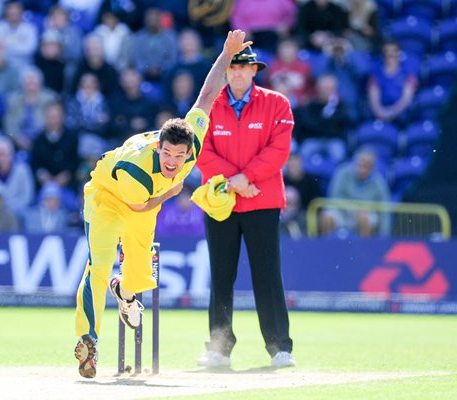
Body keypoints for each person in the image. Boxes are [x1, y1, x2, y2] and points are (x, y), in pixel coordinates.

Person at [73, 30, 252, 379]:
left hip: (145, 202)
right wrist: (169, 195)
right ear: (159, 148)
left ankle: (124, 292)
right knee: (99, 266)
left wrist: (227, 53)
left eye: (178, 156)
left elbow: (208, 94)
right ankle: (88, 341)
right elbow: (137, 207)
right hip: (111, 197)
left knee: (140, 274)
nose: (173, 161)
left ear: (189, 150)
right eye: (167, 154)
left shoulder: (192, 139)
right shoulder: (136, 169)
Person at [195, 45, 295, 369]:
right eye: (232, 67)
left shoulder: (277, 103)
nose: (237, 72)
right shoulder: (210, 105)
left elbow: (279, 151)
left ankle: (280, 347)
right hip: (221, 201)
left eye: (244, 67)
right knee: (221, 276)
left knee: (267, 276)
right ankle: (218, 348)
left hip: (261, 200)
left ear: (254, 71)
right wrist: (234, 180)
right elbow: (200, 150)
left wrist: (244, 177)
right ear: (225, 71)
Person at [319, 147, 391, 238]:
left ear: (372, 167)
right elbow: (334, 197)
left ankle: (364, 250)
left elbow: (384, 208)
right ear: (355, 162)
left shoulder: (379, 182)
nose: (362, 169)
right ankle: (325, 248)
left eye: (367, 166)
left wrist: (384, 234)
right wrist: (354, 209)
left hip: (367, 213)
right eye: (360, 164)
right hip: (342, 211)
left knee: (364, 218)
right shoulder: (342, 172)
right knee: (327, 217)